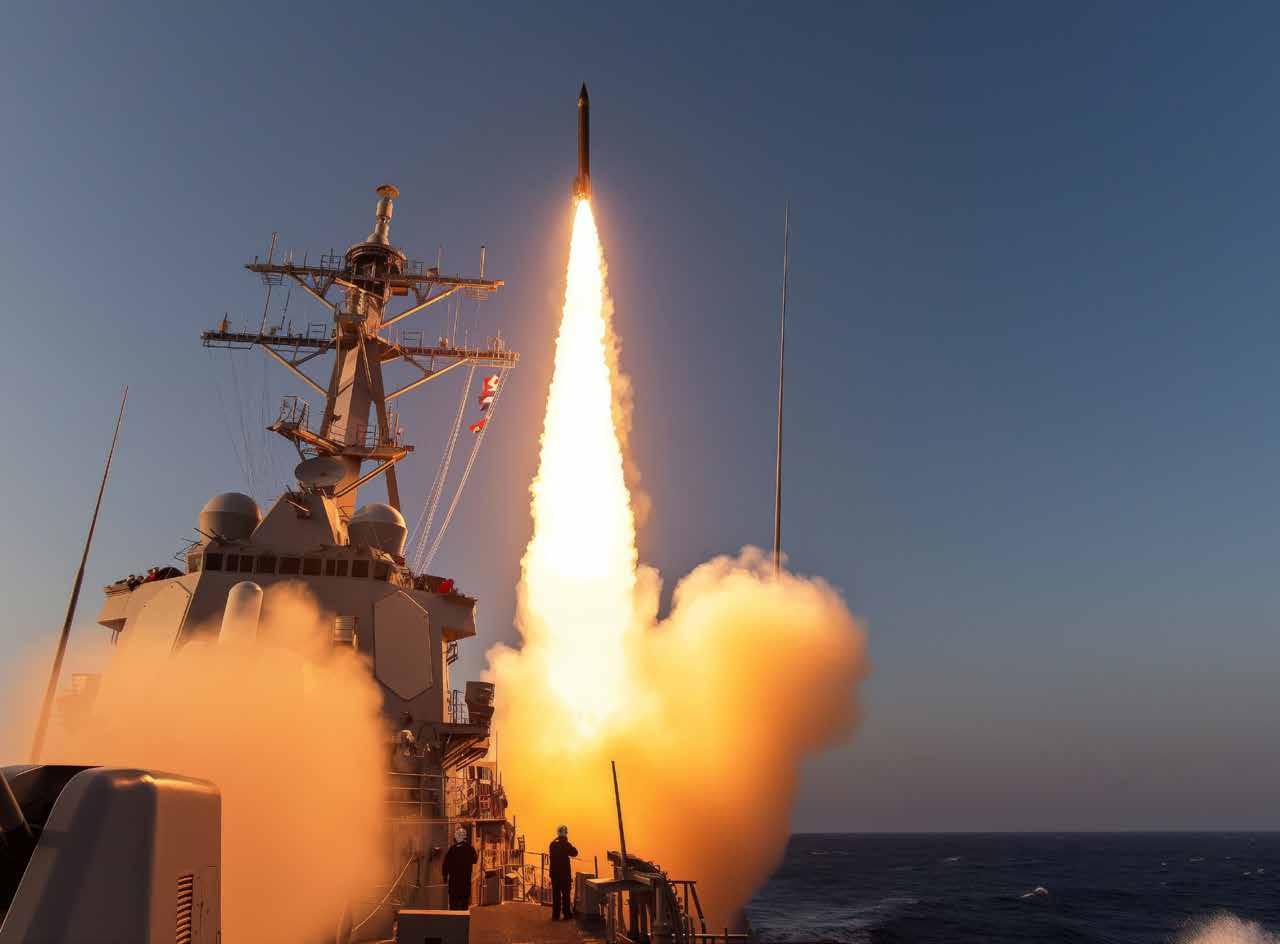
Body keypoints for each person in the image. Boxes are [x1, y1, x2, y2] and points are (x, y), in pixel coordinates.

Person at [442, 827, 478, 911]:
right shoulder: (470, 848)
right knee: (464, 905)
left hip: (454, 882)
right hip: (465, 881)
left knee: (453, 904)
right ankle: (463, 918)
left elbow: (445, 863)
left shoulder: (452, 849)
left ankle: (453, 917)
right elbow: (475, 860)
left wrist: (445, 876)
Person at [548, 825, 578, 921]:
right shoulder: (566, 844)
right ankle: (566, 914)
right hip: (564, 875)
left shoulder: (552, 844)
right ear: (565, 833)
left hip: (554, 874)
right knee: (566, 895)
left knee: (556, 895)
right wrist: (567, 842)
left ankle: (555, 915)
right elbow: (575, 852)